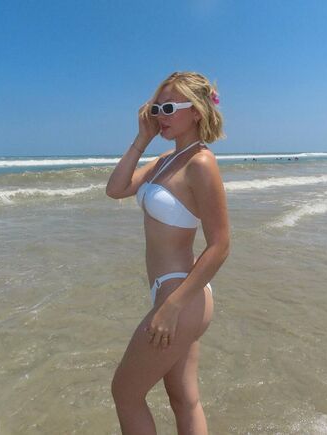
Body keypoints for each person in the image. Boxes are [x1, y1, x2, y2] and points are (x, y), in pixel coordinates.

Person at [106, 71, 230, 435]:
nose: (161, 115)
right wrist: (142, 138)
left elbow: (221, 244)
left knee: (125, 393)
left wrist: (172, 306)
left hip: (181, 297)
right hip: (172, 294)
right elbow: (116, 189)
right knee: (184, 398)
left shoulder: (201, 163)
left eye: (170, 108)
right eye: (156, 108)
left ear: (197, 111)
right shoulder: (164, 160)